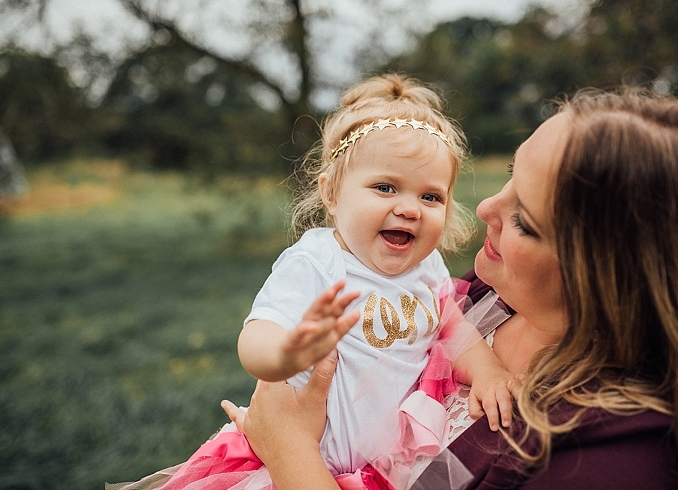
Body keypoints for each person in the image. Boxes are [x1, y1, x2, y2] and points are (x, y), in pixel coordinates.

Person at [224, 88, 678, 490]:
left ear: (605, 279)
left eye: (524, 219)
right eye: (508, 175)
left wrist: (291, 453)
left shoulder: (611, 459)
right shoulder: (486, 295)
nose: (483, 210)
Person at [108, 74, 516, 490]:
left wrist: (487, 370)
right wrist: (286, 353)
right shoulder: (318, 262)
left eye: (431, 197)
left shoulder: (426, 267)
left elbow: (453, 329)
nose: (409, 208)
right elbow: (256, 336)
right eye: (385, 187)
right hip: (291, 465)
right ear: (332, 193)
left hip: (379, 468)